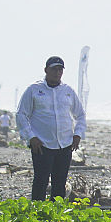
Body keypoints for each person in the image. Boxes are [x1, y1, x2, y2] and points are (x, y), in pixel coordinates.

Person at [17, 56, 86, 202]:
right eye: (54, 69)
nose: (57, 72)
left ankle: (56, 217)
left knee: (59, 183)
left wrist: (78, 134)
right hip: (42, 144)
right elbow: (21, 115)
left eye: (60, 69)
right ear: (46, 70)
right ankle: (36, 213)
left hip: (64, 144)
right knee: (41, 181)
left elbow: (80, 115)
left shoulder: (68, 91)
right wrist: (31, 137)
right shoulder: (34, 90)